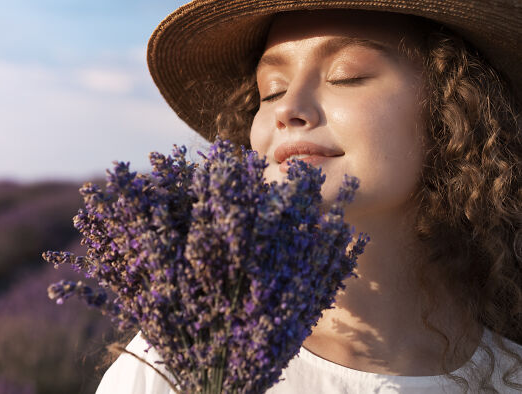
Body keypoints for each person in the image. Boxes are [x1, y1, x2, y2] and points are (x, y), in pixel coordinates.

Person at [96, 1, 522, 393]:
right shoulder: (185, 364)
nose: (288, 107)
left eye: (346, 75)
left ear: (457, 110)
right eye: (271, 91)